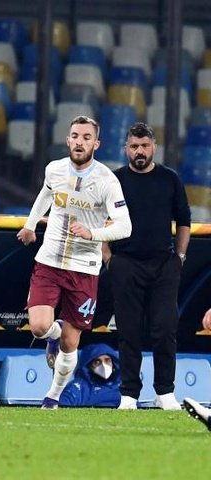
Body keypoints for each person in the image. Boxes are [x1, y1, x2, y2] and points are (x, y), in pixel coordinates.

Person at [17, 115, 132, 410]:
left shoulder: (107, 181)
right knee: (39, 327)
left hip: (84, 269)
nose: (79, 142)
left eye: (85, 137)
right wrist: (31, 226)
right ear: (67, 140)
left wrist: (92, 233)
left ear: (96, 143)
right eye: (75, 136)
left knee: (71, 343)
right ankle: (51, 337)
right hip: (49, 262)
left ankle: (52, 396)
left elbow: (125, 227)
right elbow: (45, 194)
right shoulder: (54, 170)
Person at [103, 123, 191, 411]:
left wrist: (179, 257)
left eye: (144, 146)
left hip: (164, 264)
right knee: (129, 331)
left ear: (154, 147)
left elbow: (184, 220)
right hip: (125, 263)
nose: (139, 151)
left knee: (165, 328)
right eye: (133, 146)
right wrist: (109, 259)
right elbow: (100, 221)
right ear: (126, 148)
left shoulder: (170, 179)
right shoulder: (114, 180)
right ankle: (129, 395)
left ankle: (165, 393)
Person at [59, 343, 121, 407]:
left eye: (107, 360)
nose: (104, 366)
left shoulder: (123, 386)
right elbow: (62, 409)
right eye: (97, 362)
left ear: (114, 363)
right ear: (88, 365)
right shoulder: (78, 388)